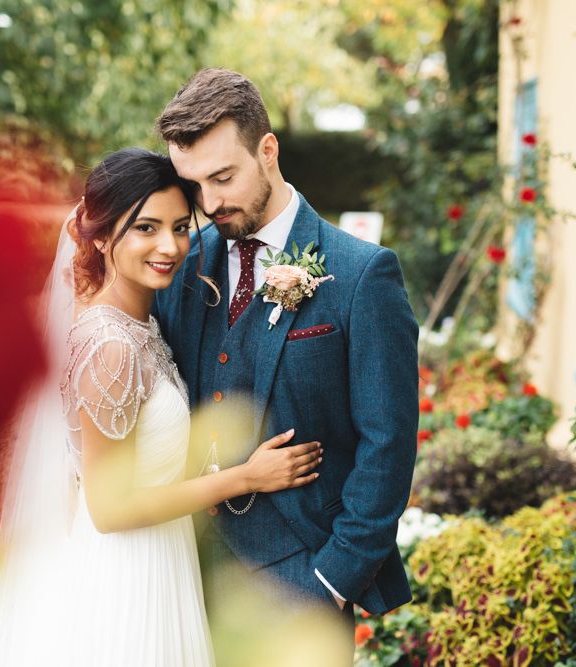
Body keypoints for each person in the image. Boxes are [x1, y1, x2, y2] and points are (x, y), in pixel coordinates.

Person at [0, 148, 322, 667]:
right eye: (146, 228)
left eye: (181, 227)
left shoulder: (140, 326)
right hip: (126, 576)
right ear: (102, 235)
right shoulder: (109, 345)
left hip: (162, 557)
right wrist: (247, 478)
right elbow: (109, 510)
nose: (170, 246)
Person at [154, 69, 419, 641]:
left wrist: (332, 581)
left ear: (267, 151)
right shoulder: (181, 263)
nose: (209, 202)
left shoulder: (361, 274)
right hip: (181, 572)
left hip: (304, 574)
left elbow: (389, 441)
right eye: (193, 184)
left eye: (223, 177)